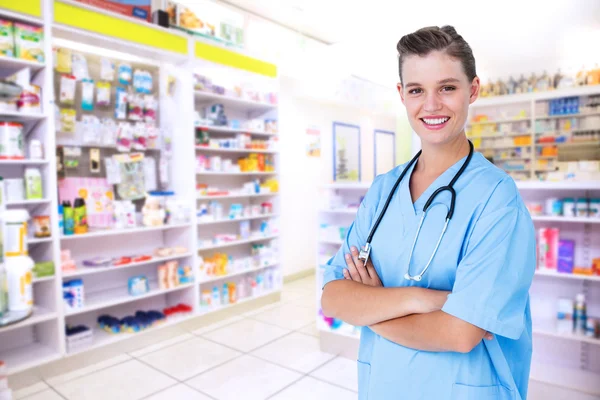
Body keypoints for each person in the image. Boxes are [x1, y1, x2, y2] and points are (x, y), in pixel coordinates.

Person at [321, 25, 536, 400]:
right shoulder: (383, 191)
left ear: (473, 90)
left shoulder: (497, 199)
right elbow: (333, 298)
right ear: (402, 95)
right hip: (382, 386)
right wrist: (421, 299)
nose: (431, 105)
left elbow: (460, 334)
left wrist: (371, 307)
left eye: (447, 88)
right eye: (417, 90)